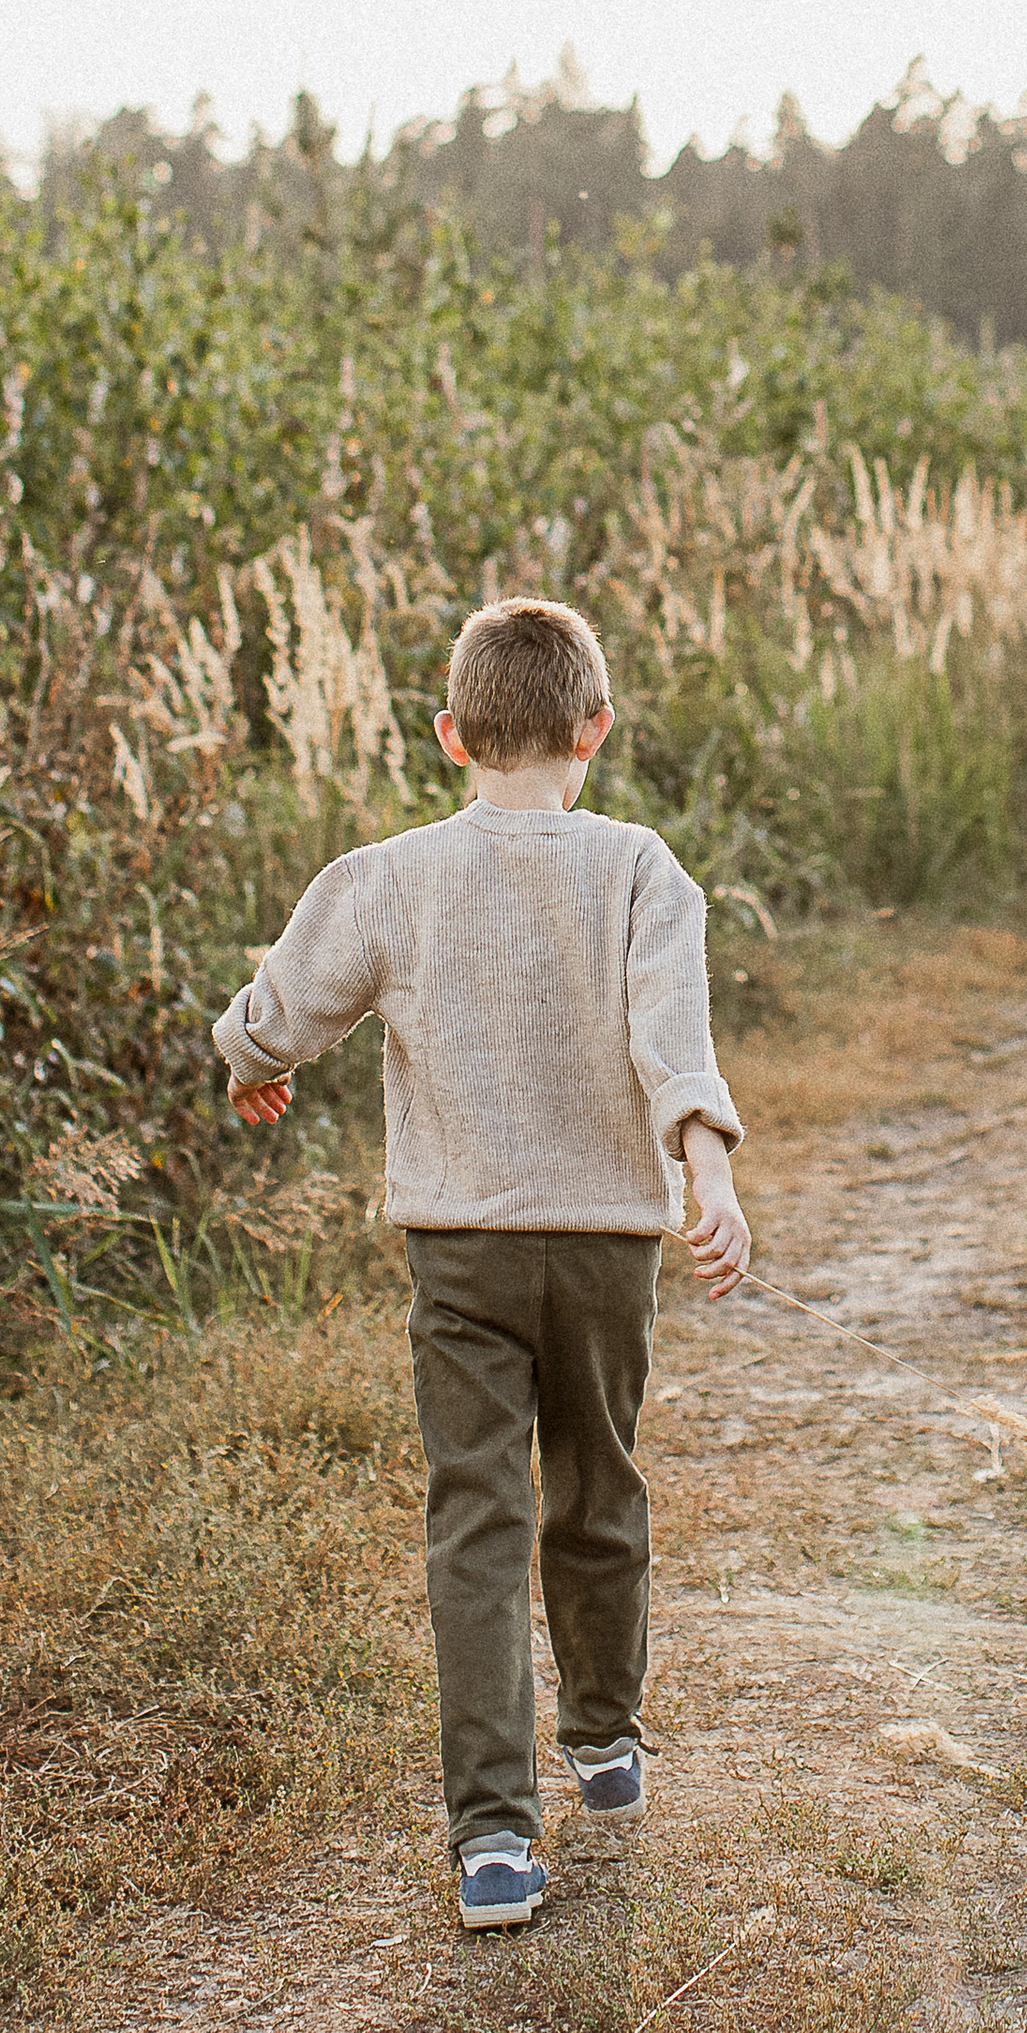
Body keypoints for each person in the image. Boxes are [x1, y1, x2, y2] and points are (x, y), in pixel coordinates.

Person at [213, 595, 749, 1937]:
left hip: (460, 1248)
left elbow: (283, 1006)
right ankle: (610, 1745)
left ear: (451, 733)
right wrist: (711, 1172)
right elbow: (672, 1039)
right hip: (611, 1245)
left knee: (477, 1518)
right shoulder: (641, 867)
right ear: (597, 728)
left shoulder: (393, 875)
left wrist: (251, 1064)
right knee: (600, 1484)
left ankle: (494, 1841)